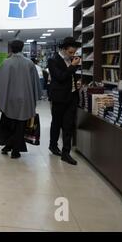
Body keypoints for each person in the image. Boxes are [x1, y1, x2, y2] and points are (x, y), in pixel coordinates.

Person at [0, 40, 41, 159]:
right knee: (20, 125)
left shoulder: (6, 63)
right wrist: (36, 97)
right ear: (22, 48)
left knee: (8, 123)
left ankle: (8, 145)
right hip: (25, 99)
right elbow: (36, 83)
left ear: (11, 49)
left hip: (9, 99)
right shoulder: (29, 63)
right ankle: (15, 150)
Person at [47, 37, 82, 165]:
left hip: (72, 97)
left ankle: (66, 153)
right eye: (70, 52)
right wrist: (72, 67)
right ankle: (53, 145)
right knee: (56, 123)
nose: (72, 55)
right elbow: (61, 77)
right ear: (64, 49)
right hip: (59, 97)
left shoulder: (71, 60)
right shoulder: (53, 60)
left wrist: (77, 82)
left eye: (74, 52)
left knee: (68, 125)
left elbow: (70, 77)